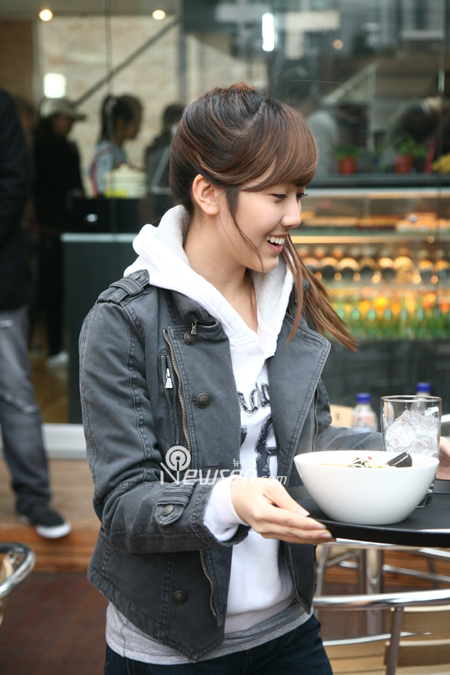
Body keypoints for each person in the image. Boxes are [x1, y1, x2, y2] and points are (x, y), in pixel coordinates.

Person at [79, 83, 450, 673]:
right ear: (207, 192)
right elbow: (124, 505)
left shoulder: (287, 302)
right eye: (277, 195)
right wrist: (229, 500)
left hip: (288, 627)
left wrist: (409, 451)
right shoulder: (125, 320)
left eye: (299, 194)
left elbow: (310, 442)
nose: (294, 216)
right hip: (172, 645)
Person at [0, 88, 71, 539]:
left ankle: (33, 497)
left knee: (15, 395)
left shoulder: (2, 106)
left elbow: (13, 182)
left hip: (1, 285)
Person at [33, 96, 86, 366]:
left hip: (64, 228)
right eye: (67, 119)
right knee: (47, 291)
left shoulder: (68, 147)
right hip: (46, 229)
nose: (71, 124)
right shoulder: (40, 147)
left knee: (57, 291)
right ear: (54, 118)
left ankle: (55, 347)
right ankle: (48, 347)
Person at [90, 94, 143, 196]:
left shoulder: (117, 151)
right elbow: (104, 190)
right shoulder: (107, 153)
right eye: (136, 123)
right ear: (120, 123)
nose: (139, 128)